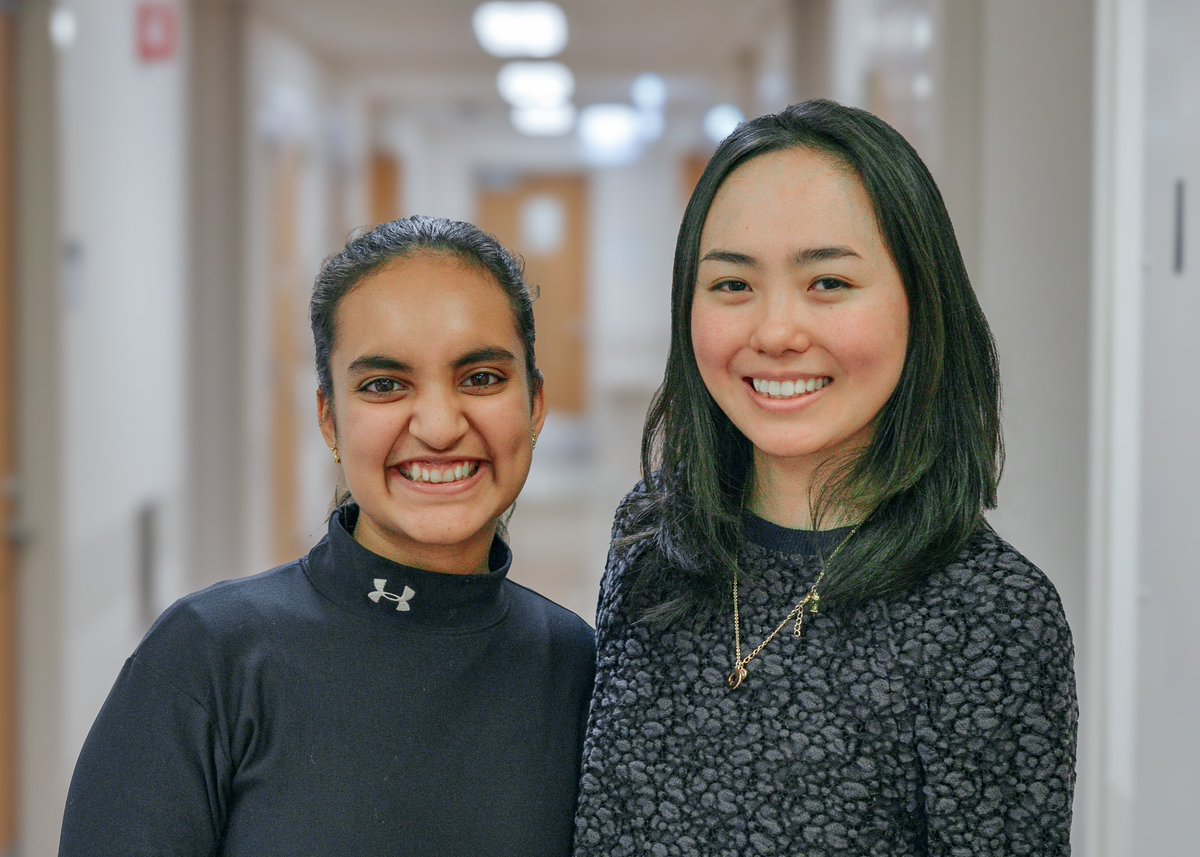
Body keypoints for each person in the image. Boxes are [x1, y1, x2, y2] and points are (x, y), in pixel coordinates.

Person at [573, 100, 1077, 855]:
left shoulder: (991, 615)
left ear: (920, 302)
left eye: (829, 283)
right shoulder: (652, 535)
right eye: (733, 285)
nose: (776, 332)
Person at [59, 216, 595, 857]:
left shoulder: (578, 668)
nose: (439, 425)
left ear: (534, 406)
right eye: (384, 385)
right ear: (330, 421)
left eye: (480, 378)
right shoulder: (210, 658)